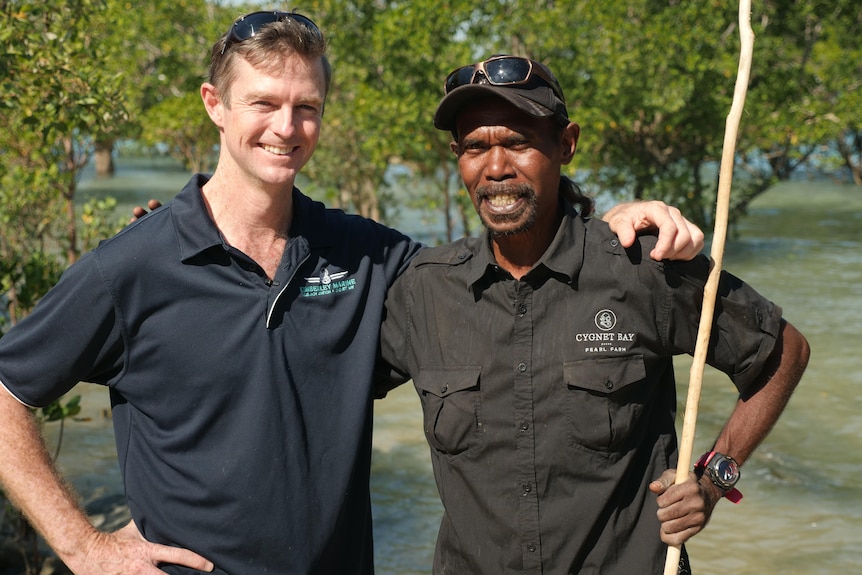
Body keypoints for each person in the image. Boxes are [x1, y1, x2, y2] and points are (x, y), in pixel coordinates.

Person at [0, 12, 701, 575]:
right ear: (215, 106)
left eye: (306, 107)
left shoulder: (369, 256)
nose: (285, 127)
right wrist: (83, 546)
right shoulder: (136, 264)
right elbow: (8, 390)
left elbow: (504, 275)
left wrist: (598, 221)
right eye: (263, 103)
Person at [375, 55, 810, 574]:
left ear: (566, 144)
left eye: (517, 142)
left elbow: (783, 352)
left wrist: (713, 479)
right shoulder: (424, 292)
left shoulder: (643, 268)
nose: (495, 167)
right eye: (475, 147)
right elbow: (326, 390)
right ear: (457, 156)